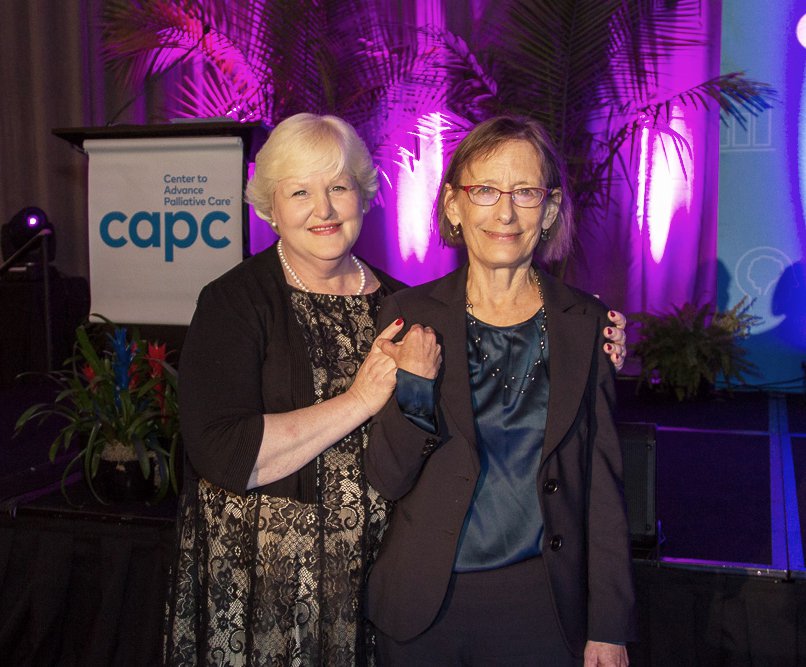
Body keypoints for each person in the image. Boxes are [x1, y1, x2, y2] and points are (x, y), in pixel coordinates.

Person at [164, 112, 629, 666]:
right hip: (270, 577)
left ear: (363, 195)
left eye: (339, 187)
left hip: (370, 573)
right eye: (300, 192)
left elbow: (595, 480)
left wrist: (609, 622)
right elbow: (221, 450)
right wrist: (366, 398)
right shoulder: (239, 301)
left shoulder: (401, 303)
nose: (324, 209)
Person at [364, 116, 637, 666]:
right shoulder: (409, 315)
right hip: (425, 612)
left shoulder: (588, 326)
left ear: (551, 208)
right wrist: (414, 388)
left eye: (526, 192)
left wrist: (609, 625)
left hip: (542, 609)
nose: (505, 213)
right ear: (453, 205)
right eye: (485, 190)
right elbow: (386, 476)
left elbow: (603, 490)